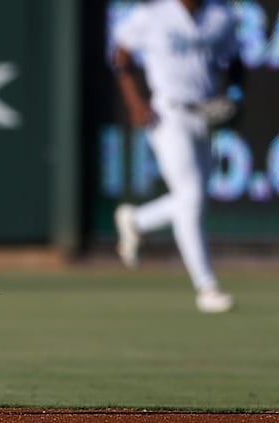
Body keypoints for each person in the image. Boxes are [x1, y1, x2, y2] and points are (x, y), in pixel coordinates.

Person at [110, 0, 244, 313]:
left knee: (194, 199)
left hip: (205, 114)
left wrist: (236, 97)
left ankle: (137, 220)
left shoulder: (219, 16)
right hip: (167, 113)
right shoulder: (153, 14)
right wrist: (135, 102)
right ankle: (207, 287)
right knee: (191, 196)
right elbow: (121, 55)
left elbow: (236, 61)